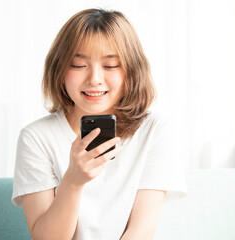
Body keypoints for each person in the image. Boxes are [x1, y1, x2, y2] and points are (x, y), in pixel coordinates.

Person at [12, 8, 188, 240]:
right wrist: (73, 181)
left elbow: (141, 231)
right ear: (60, 70)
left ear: (132, 70)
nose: (94, 79)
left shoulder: (154, 130)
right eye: (78, 65)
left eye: (111, 66)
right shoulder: (36, 137)